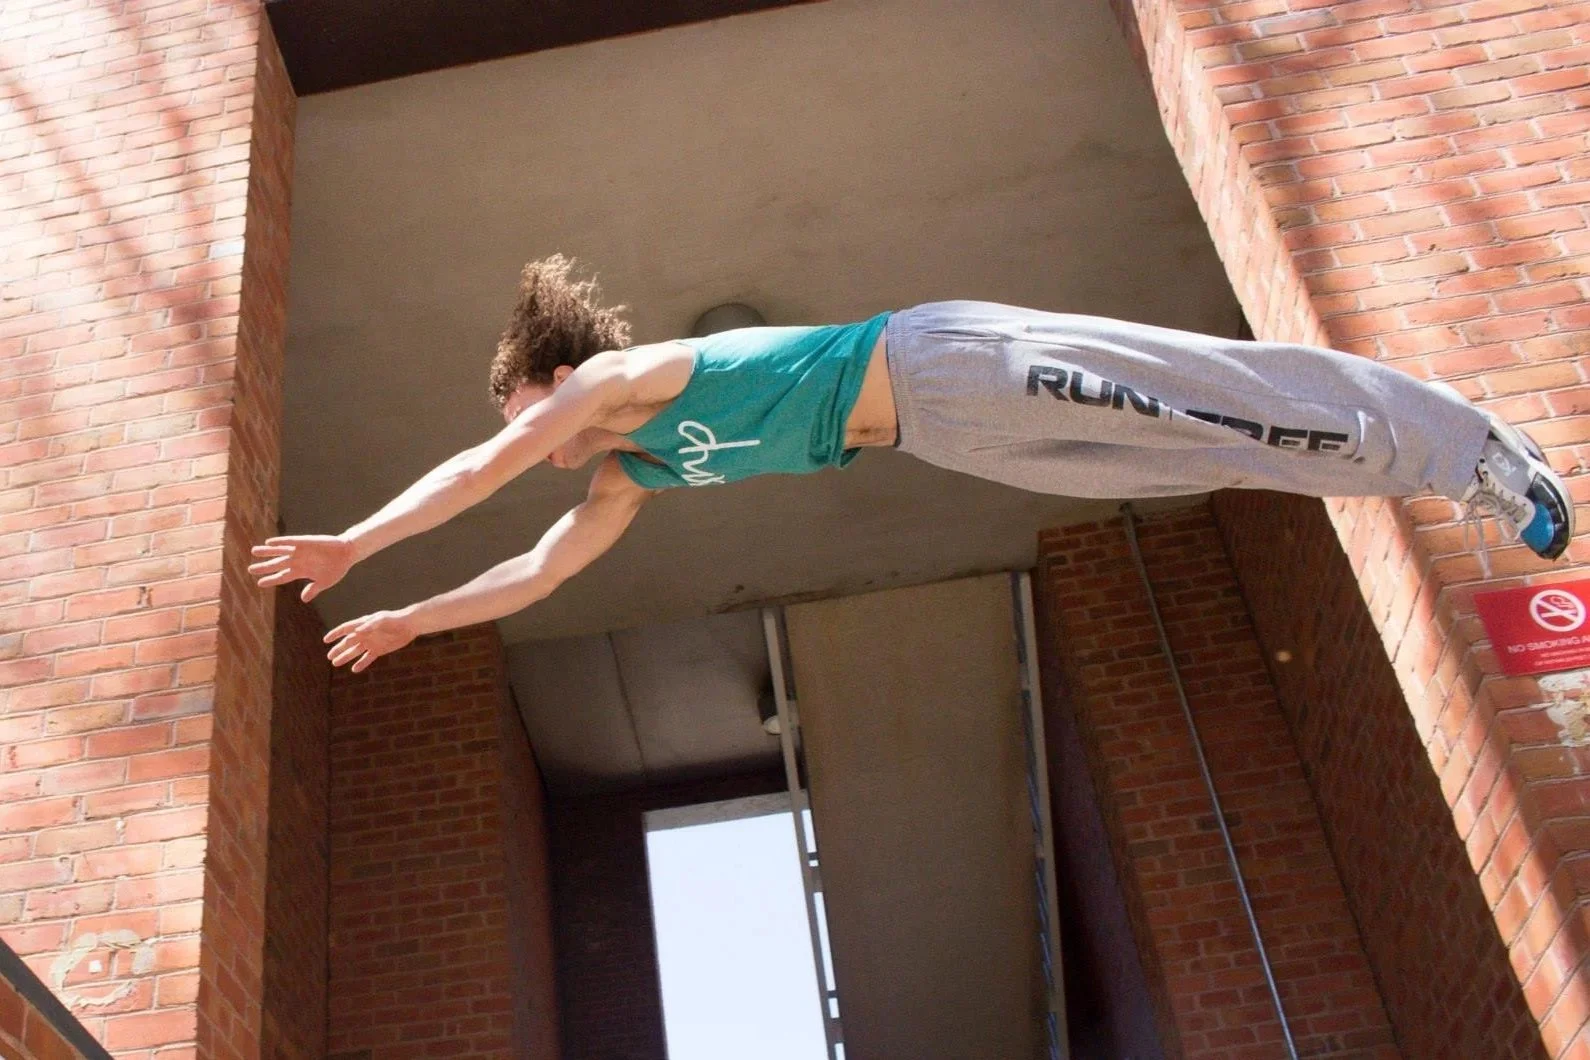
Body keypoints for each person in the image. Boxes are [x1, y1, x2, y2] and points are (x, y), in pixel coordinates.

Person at [250, 256, 1575, 673]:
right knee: (1202, 460)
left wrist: (354, 545)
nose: (525, 434)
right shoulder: (628, 479)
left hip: (944, 360)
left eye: (520, 407)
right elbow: (539, 574)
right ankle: (1438, 474)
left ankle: (1470, 442)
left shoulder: (618, 381)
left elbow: (482, 476)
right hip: (950, 436)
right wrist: (416, 618)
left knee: (1201, 398)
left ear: (553, 380)